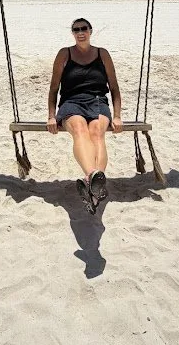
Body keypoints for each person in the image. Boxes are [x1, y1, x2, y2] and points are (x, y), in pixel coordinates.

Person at [47, 18, 123, 213]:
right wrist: (51, 115)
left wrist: (117, 116)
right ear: (72, 33)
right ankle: (93, 177)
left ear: (90, 31)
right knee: (80, 130)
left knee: (97, 132)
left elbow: (114, 87)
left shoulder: (102, 54)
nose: (80, 32)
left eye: (84, 29)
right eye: (76, 29)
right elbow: (54, 88)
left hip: (98, 101)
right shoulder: (64, 54)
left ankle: (92, 186)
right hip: (71, 102)